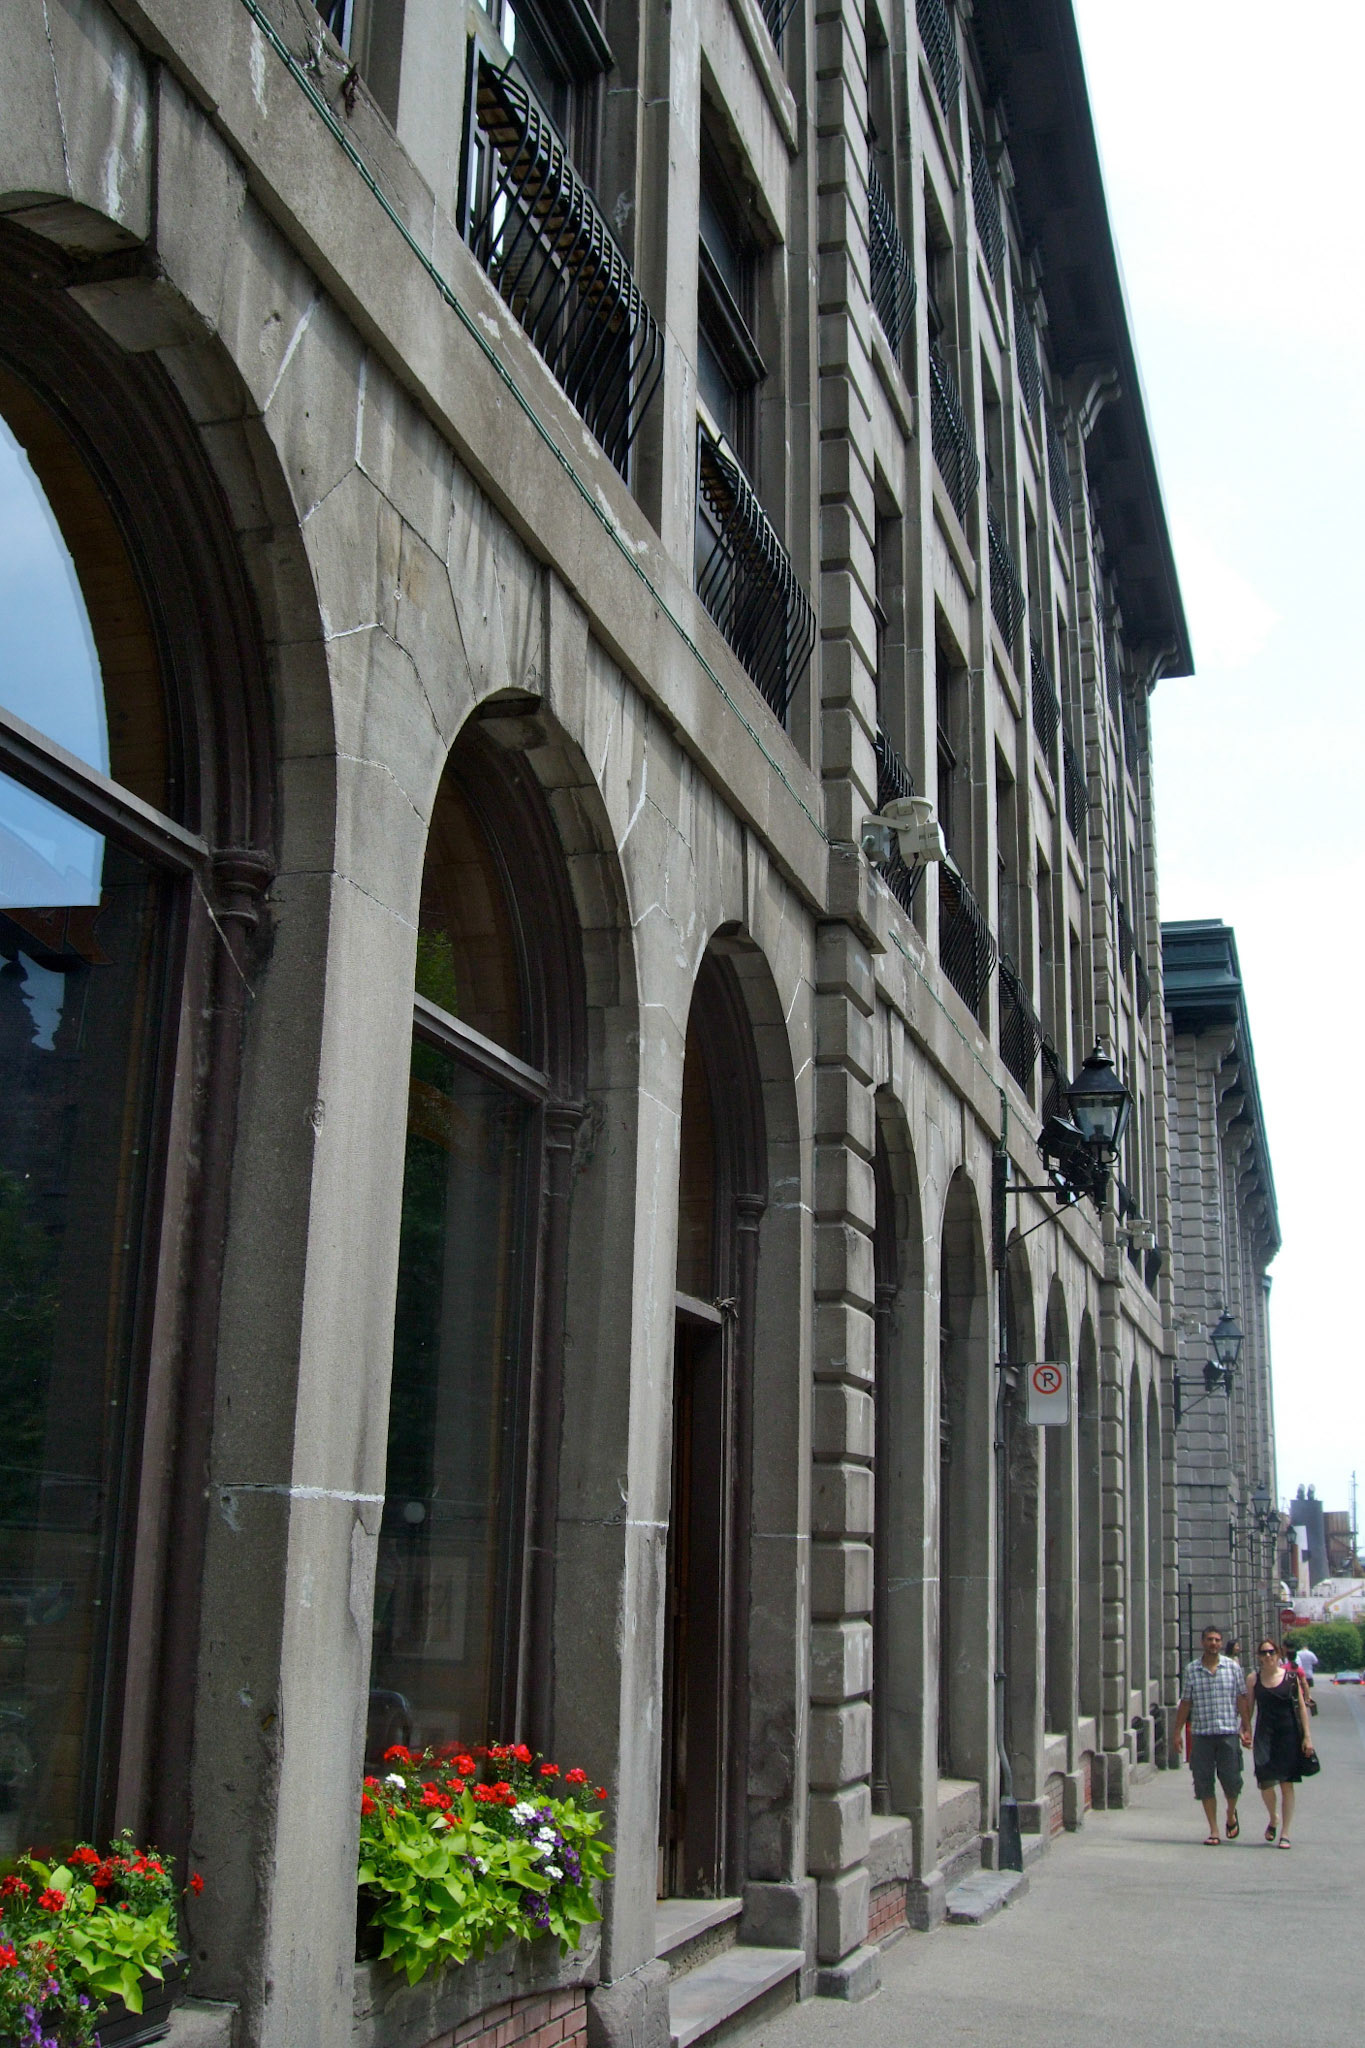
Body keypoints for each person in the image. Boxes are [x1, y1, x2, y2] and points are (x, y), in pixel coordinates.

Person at [1170, 1626, 1250, 1845]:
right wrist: (1177, 1732)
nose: (1213, 1643)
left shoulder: (1232, 1668)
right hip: (1202, 1735)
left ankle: (1231, 1813)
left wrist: (1246, 1726)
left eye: (1217, 1640)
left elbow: (1242, 1698)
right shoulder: (1192, 1670)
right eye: (1209, 1639)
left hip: (1227, 1733)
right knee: (1204, 1783)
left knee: (1232, 1781)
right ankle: (1214, 1829)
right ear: (1202, 1642)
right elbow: (1186, 1702)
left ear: (1221, 1643)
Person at [1246, 1639, 1314, 1848]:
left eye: (1271, 1652)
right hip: (1264, 1734)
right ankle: (1273, 1818)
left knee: (1286, 1784)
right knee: (1265, 1782)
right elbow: (1249, 1707)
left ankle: (1285, 1832)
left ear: (1278, 1654)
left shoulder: (1291, 1678)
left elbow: (1302, 1708)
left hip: (1288, 1734)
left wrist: (1307, 1737)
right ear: (1258, 1656)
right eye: (1264, 1653)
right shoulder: (1253, 1679)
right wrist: (1245, 1729)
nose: (1268, 1656)